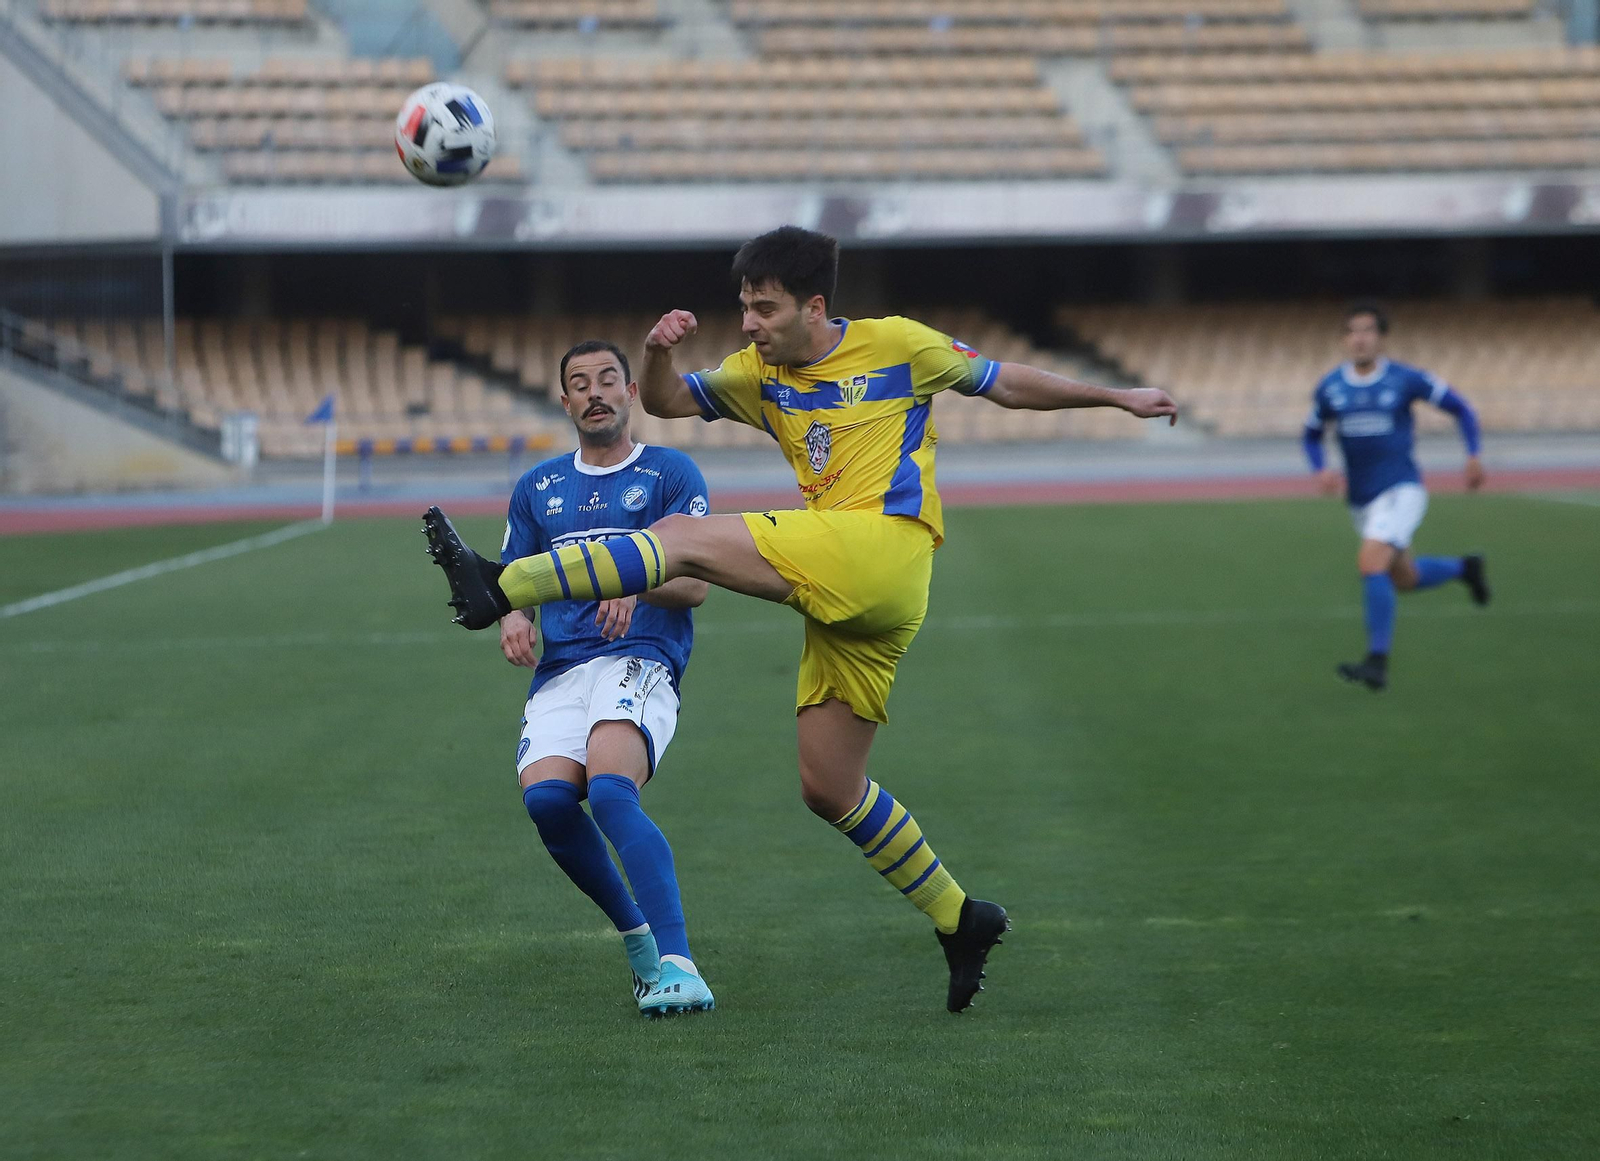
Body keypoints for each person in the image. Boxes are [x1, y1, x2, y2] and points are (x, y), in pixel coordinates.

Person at [424, 226, 1178, 1013]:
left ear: (814, 306)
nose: (748, 323)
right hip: (847, 594)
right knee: (829, 785)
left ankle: (503, 583)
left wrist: (1117, 396)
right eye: (744, 307)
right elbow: (671, 398)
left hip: (884, 546)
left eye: (764, 308)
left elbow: (1001, 381)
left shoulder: (899, 345)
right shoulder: (760, 374)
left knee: (679, 540)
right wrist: (655, 354)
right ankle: (960, 916)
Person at [486, 339, 714, 1018]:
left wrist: (640, 582)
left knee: (611, 792)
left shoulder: (672, 474)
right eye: (579, 383)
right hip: (562, 669)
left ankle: (680, 963)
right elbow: (512, 580)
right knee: (550, 804)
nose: (595, 392)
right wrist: (511, 617)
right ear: (564, 402)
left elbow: (697, 581)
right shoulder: (538, 487)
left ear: (631, 392)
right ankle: (641, 944)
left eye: (608, 379)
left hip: (639, 657)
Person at [1303, 304, 1491, 692]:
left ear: (1381, 338)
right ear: (1343, 339)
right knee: (1403, 578)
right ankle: (1465, 568)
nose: (1359, 338)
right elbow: (1310, 434)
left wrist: (1473, 454)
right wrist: (1320, 468)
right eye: (1352, 331)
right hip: (1361, 499)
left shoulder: (1406, 379)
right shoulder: (1330, 387)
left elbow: (1461, 408)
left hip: (1401, 488)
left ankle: (1376, 662)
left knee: (1370, 563)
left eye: (1368, 330)